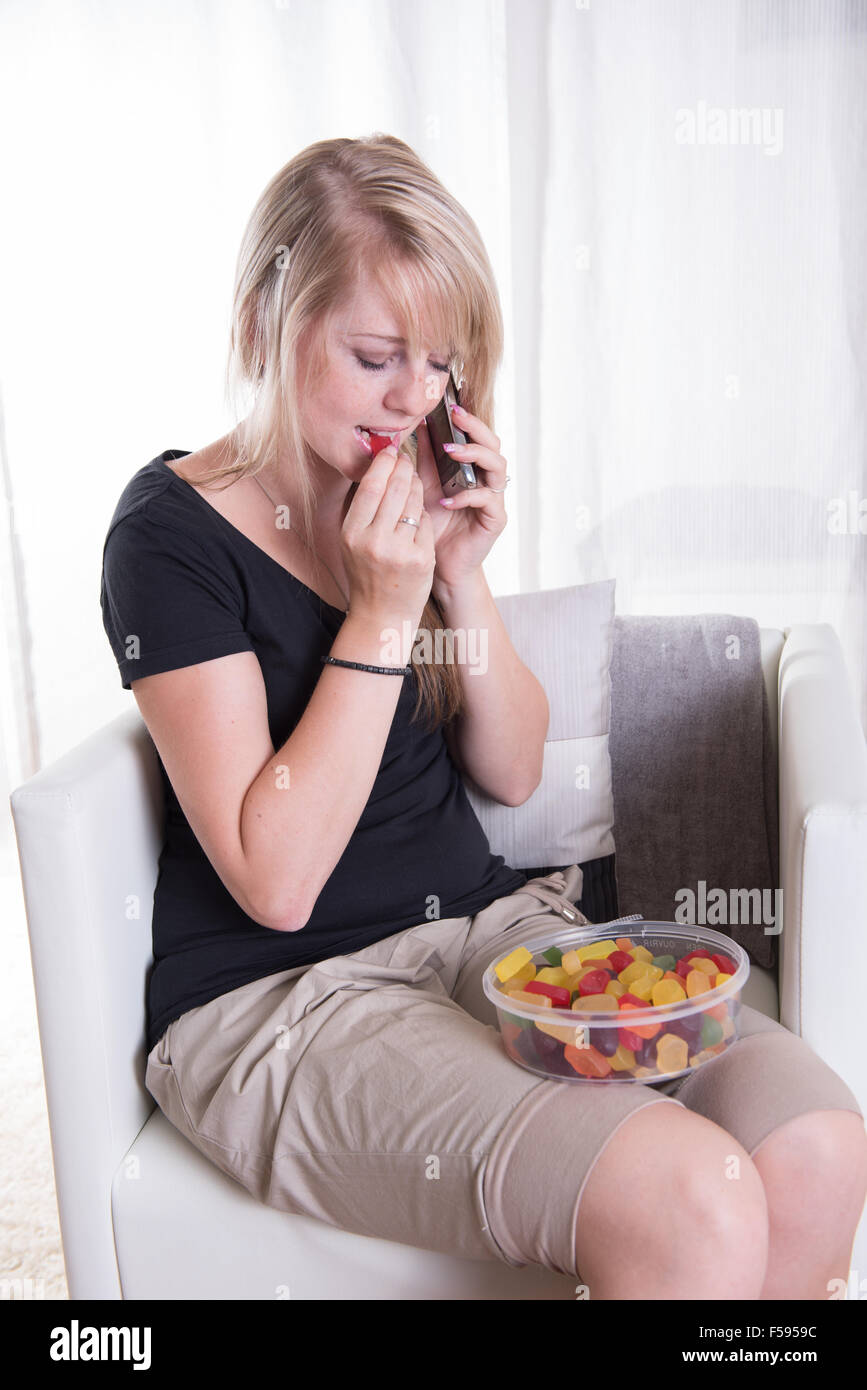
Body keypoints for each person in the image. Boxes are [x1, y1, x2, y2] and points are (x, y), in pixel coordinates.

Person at [100, 133, 866, 1300]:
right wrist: (379, 612)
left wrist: (459, 572)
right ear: (267, 322)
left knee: (813, 1146)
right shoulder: (166, 537)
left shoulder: (395, 503)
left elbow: (509, 771)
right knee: (690, 1198)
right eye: (373, 356)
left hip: (485, 931)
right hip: (286, 997)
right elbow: (277, 880)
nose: (412, 398)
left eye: (437, 365)